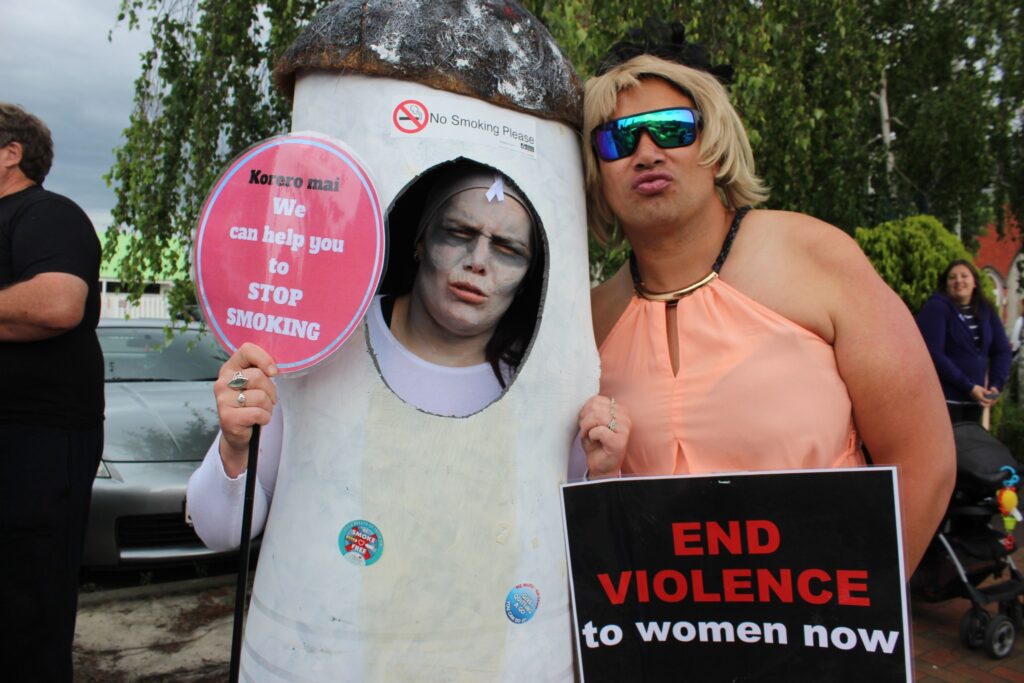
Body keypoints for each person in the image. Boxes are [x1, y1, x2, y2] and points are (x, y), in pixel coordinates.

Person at [575, 25, 954, 574]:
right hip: (661, 645)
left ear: (714, 142)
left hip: (824, 640)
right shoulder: (590, 319)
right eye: (618, 139)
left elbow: (924, 462)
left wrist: (863, 619)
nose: (647, 151)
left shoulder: (815, 255)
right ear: (597, 170)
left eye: (672, 128)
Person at [187, 161, 553, 548]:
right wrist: (235, 444)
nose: (477, 260)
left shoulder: (539, 382)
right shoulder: (328, 340)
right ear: (421, 241)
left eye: (508, 249)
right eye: (459, 233)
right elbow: (218, 532)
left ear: (529, 275)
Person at [0, 103, 104, 682]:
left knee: (26, 614)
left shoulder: (46, 212)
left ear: (12, 152)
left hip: (34, 443)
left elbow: (59, 302)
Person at [916, 259, 1012, 424]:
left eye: (964, 276)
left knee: (970, 446)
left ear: (974, 282)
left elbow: (1001, 349)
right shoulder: (937, 308)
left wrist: (996, 384)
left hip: (974, 402)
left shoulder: (985, 310)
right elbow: (934, 353)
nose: (959, 281)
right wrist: (968, 386)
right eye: (952, 277)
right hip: (945, 401)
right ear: (945, 284)